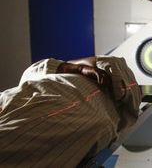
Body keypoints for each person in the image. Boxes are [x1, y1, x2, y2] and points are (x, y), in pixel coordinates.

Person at [0, 56, 142, 167]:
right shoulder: (64, 72)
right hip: (22, 98)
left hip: (65, 109)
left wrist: (78, 68)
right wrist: (77, 68)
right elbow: (34, 70)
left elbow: (125, 87)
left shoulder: (113, 77)